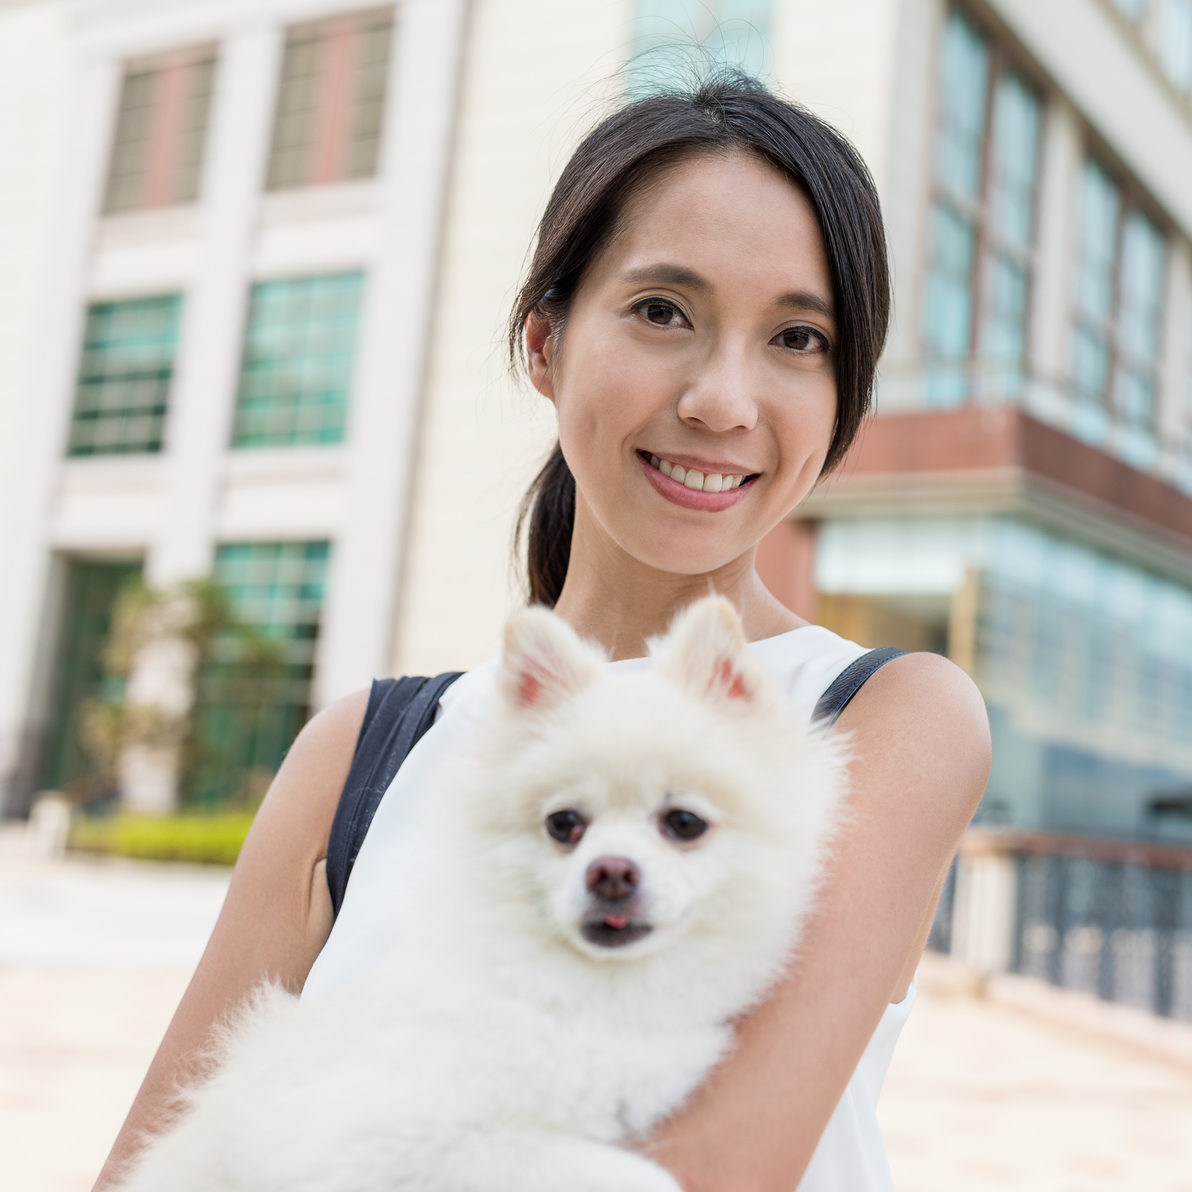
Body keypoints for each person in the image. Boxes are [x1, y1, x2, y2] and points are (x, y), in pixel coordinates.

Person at [94, 74, 990, 1192]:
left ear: (842, 400)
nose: (722, 399)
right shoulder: (366, 752)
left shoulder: (876, 715)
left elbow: (718, 1170)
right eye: (664, 310)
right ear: (544, 343)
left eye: (797, 337)